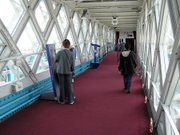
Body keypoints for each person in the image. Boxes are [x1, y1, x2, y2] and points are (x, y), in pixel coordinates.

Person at [55, 39, 75, 104]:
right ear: (69, 45)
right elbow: (72, 64)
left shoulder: (59, 52)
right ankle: (70, 100)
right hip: (68, 71)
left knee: (61, 85)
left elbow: (56, 60)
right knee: (69, 85)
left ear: (63, 45)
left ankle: (62, 100)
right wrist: (73, 71)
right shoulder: (71, 54)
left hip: (60, 71)